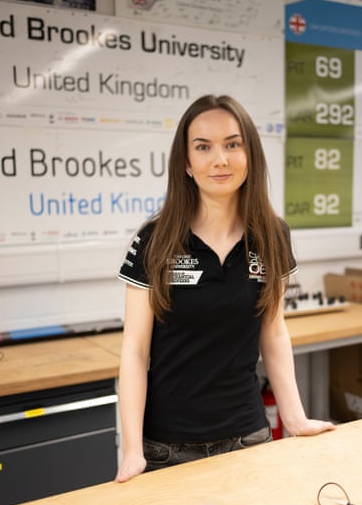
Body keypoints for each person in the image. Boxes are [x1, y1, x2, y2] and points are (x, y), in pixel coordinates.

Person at [115, 94, 335, 482]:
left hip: (248, 439)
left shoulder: (271, 235)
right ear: (186, 162)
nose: (220, 159)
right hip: (167, 449)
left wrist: (295, 419)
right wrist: (133, 452)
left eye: (233, 144)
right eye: (203, 147)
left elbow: (274, 332)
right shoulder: (156, 240)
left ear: (250, 154)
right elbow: (134, 351)